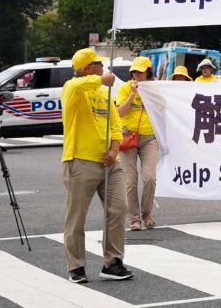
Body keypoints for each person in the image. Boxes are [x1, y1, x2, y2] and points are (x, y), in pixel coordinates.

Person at [62, 47, 131, 283]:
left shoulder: (104, 92)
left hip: (110, 162)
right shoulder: (73, 89)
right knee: (77, 216)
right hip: (81, 160)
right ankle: (76, 266)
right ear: (88, 68)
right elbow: (77, 84)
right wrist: (100, 79)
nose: (104, 68)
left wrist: (114, 148)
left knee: (119, 209)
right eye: (99, 65)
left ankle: (113, 263)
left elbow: (115, 123)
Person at [116, 56, 159, 232]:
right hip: (128, 137)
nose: (136, 75)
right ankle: (134, 218)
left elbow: (164, 109)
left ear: (148, 72)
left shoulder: (155, 89)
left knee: (150, 178)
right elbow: (119, 111)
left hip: (149, 137)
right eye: (133, 71)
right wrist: (133, 94)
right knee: (130, 181)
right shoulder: (125, 88)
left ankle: (146, 213)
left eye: (139, 72)